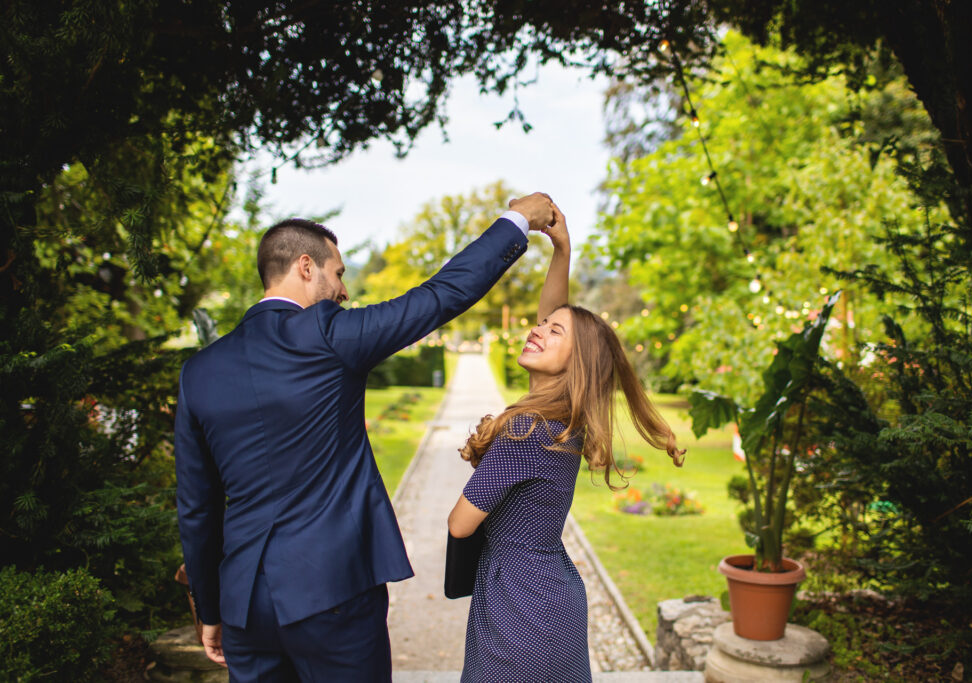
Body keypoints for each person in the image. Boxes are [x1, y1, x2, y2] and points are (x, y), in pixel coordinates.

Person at [174, 192, 556, 681]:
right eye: (339, 273)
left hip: (246, 605)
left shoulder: (199, 371)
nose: (344, 291)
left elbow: (197, 507)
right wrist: (518, 220)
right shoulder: (329, 335)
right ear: (306, 267)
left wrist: (210, 608)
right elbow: (441, 295)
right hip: (334, 589)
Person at [448, 206, 686, 683]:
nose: (537, 329)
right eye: (542, 324)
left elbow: (460, 523)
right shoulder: (564, 423)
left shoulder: (524, 433)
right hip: (553, 600)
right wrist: (562, 251)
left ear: (573, 364)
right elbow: (558, 322)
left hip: (517, 611)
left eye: (552, 332)